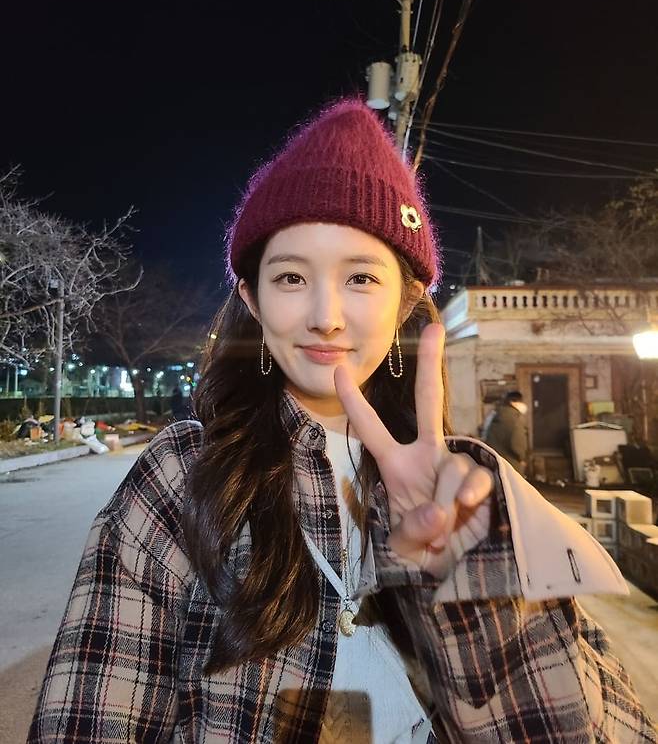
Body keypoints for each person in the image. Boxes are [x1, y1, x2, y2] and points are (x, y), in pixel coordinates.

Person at [28, 101, 655, 743]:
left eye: (360, 277)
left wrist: (467, 567)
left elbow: (578, 729)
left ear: (405, 301)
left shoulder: (476, 487)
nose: (325, 317)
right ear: (252, 300)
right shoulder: (181, 478)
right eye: (291, 277)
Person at [481, 390, 529, 476]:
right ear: (514, 402)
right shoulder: (515, 419)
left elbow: (484, 434)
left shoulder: (495, 414)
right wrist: (522, 457)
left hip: (493, 460)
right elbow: (518, 443)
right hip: (510, 464)